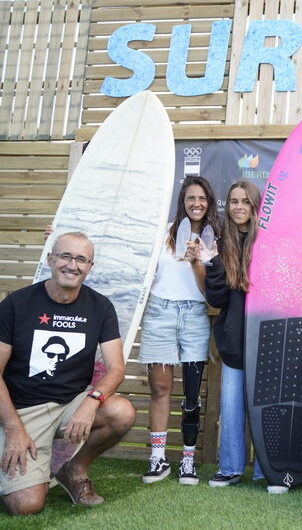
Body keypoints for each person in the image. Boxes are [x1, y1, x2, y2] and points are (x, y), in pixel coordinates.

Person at [0, 232, 135, 515]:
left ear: (90, 266)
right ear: (50, 259)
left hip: (70, 406)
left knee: (121, 412)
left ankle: (74, 470)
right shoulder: (17, 304)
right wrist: (13, 430)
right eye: (65, 256)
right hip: (22, 409)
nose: (72, 265)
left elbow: (117, 368)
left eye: (81, 259)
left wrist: (91, 401)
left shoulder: (100, 306)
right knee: (26, 505)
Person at [140, 176, 220, 486]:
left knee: (190, 397)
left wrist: (197, 261)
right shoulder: (164, 233)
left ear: (209, 202)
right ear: (182, 202)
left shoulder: (216, 239)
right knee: (159, 389)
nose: (196, 203)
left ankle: (188, 462)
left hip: (195, 315)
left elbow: (209, 292)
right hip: (160, 312)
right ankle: (158, 459)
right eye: (190, 198)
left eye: (202, 198)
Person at [203, 181, 264, 487]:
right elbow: (217, 300)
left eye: (246, 202)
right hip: (233, 341)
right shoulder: (220, 243)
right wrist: (212, 263)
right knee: (231, 407)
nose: (239, 207)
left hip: (265, 341)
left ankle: (266, 469)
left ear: (256, 206)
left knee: (264, 408)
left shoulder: (268, 242)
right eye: (234, 201)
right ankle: (229, 468)